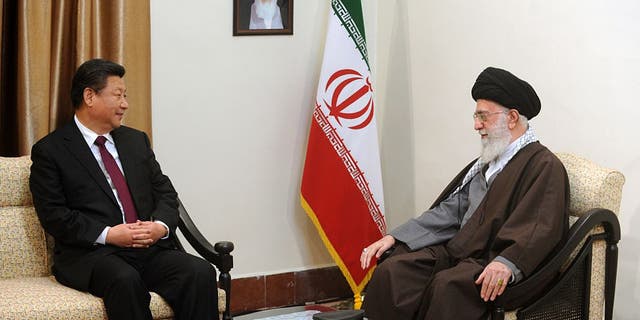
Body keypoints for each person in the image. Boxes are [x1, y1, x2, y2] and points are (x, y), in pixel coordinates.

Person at [360, 67, 570, 320]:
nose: (476, 125)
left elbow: (539, 228)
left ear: (512, 118)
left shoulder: (544, 166)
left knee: (447, 287)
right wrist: (396, 237)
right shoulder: (489, 161)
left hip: (493, 263)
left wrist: (507, 263)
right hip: (460, 253)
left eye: (483, 117)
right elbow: (450, 211)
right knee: (394, 271)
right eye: (475, 116)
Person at [29, 59, 218, 320]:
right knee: (124, 279)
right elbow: (54, 215)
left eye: (125, 96)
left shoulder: (135, 140)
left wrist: (160, 227)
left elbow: (165, 191)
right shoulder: (51, 151)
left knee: (199, 271)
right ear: (89, 96)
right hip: (93, 255)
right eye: (118, 95)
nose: (125, 104)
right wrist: (109, 235)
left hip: (147, 249)